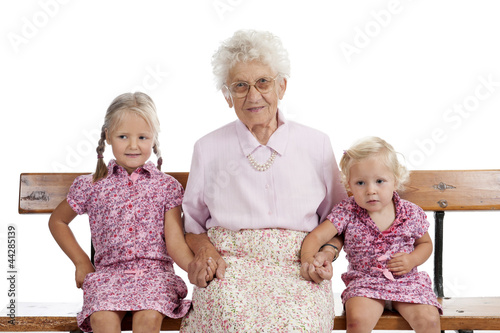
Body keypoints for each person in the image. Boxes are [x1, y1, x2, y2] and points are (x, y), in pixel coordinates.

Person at [180, 29, 347, 332]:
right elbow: (192, 224)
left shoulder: (316, 144)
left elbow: (341, 219)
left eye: (263, 82)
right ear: (227, 96)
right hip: (230, 269)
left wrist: (327, 253)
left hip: (299, 267)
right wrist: (206, 251)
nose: (253, 95)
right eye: (240, 86)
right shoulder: (208, 148)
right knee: (231, 322)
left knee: (299, 326)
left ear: (281, 86)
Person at [48, 92, 191, 333]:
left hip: (154, 276)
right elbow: (58, 221)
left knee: (147, 319)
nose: (133, 145)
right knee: (102, 320)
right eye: (123, 136)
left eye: (142, 137)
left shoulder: (166, 187)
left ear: (153, 138)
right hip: (109, 275)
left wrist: (195, 267)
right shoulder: (91, 184)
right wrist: (82, 262)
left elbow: (175, 240)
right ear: (108, 136)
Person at [301, 136, 442, 333]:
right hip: (365, 282)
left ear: (395, 181)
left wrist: (411, 260)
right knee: (357, 321)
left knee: (430, 321)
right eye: (360, 183)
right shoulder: (347, 211)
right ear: (348, 185)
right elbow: (316, 237)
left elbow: (425, 244)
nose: (370, 190)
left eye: (379, 181)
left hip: (407, 281)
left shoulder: (410, 212)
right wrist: (308, 259)